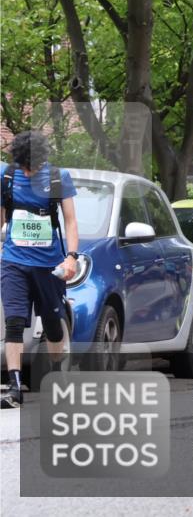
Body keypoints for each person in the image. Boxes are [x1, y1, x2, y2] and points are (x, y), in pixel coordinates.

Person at [1, 131, 79, 409]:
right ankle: (14, 387)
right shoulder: (7, 176)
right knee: (13, 323)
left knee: (52, 325)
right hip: (14, 262)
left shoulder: (58, 178)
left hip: (48, 265)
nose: (27, 172)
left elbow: (70, 221)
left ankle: (58, 376)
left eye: (31, 168)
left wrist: (71, 257)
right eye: (23, 166)